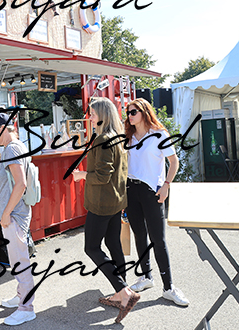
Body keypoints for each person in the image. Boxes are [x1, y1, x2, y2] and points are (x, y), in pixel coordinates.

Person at [72, 98, 140, 324]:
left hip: (101, 203)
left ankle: (124, 292)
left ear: (102, 115)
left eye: (92, 114)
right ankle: (121, 292)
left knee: (92, 247)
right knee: (113, 243)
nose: (90, 117)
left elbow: (102, 176)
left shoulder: (103, 139)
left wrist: (81, 175)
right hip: (116, 201)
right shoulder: (117, 137)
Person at [124, 98, 189, 307]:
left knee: (158, 239)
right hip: (131, 190)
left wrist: (166, 185)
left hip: (152, 191)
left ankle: (168, 287)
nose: (129, 116)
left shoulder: (159, 134)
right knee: (139, 236)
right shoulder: (128, 136)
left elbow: (174, 162)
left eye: (133, 112)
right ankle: (146, 276)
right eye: (128, 112)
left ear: (144, 112)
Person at [0, 112, 37, 326]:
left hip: (14, 215)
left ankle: (26, 307)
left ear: (4, 128)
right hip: (17, 213)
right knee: (17, 259)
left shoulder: (11, 149)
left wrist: (6, 213)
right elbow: (16, 178)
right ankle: (21, 296)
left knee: (20, 261)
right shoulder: (17, 146)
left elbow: (21, 184)